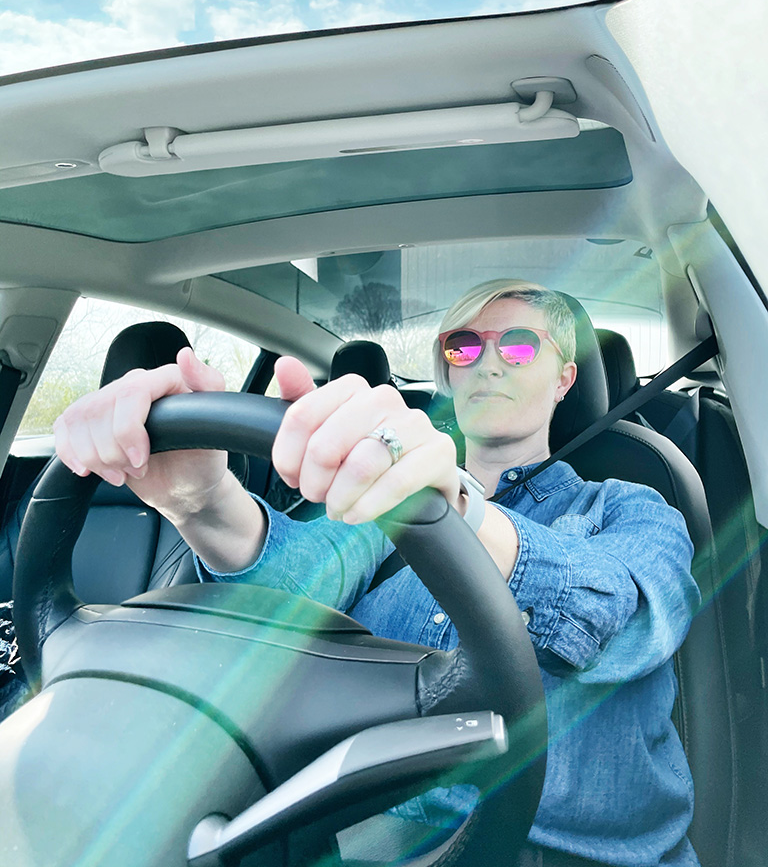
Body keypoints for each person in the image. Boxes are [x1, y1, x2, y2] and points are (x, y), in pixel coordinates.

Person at [53, 280, 700, 867]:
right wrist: (199, 500)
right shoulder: (367, 509)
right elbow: (285, 597)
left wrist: (454, 505)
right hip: (357, 840)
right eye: (465, 347)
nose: (491, 361)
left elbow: (629, 617)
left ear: (564, 378)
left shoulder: (627, 505)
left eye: (522, 346)